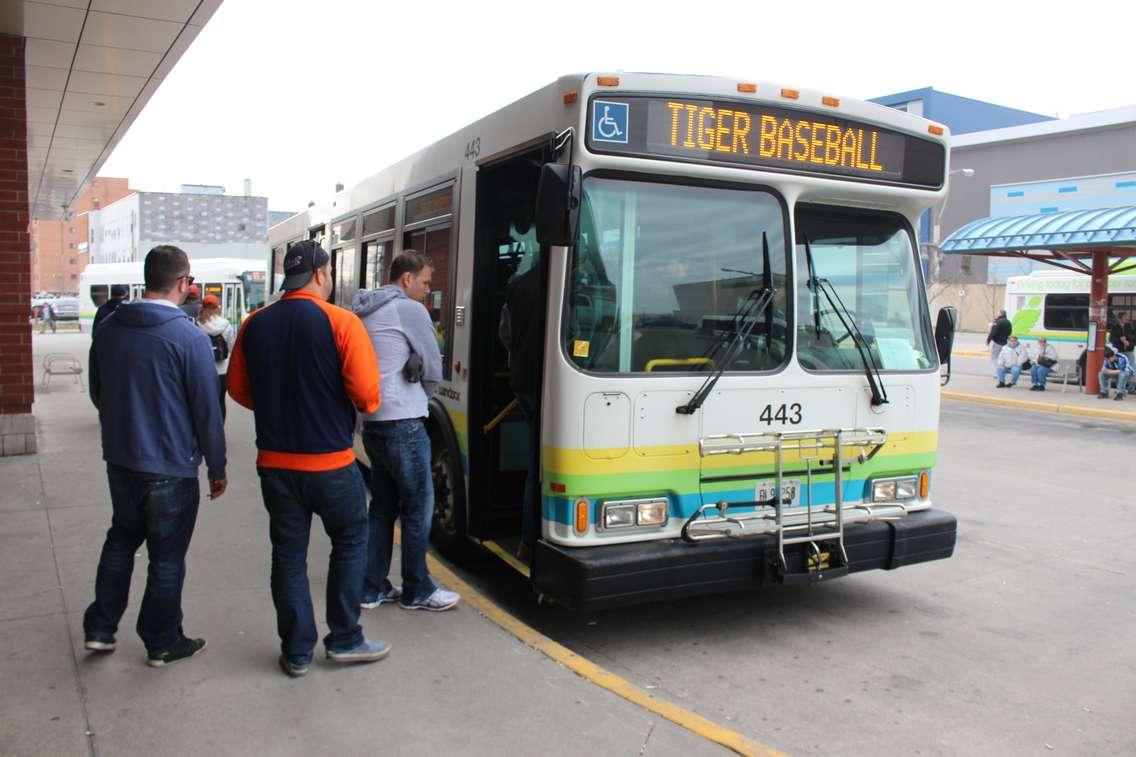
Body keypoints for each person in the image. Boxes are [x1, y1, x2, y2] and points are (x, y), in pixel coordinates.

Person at [227, 239, 389, 678]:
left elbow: (239, 390)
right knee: (351, 541)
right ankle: (344, 638)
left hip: (276, 466)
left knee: (288, 555)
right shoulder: (341, 322)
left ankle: (297, 652)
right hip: (332, 465)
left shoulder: (254, 323)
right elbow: (369, 397)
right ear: (320, 275)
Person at [83, 245, 226, 668]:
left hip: (121, 461)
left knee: (121, 539)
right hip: (170, 467)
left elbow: (97, 392)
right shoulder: (188, 338)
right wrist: (216, 467)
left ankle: (100, 628)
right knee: (166, 557)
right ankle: (162, 640)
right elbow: (207, 412)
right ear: (184, 283)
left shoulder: (109, 328)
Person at [352, 250, 459, 612]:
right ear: (406, 279)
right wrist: (420, 398)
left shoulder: (367, 307)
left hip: (374, 422)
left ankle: (371, 587)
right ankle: (418, 589)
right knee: (418, 505)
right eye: (426, 282)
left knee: (383, 506)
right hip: (404, 422)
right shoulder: (409, 310)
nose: (429, 290)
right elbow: (433, 367)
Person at [498, 260, 543, 562]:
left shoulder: (518, 285)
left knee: (534, 461)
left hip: (522, 382)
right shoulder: (576, 284)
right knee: (540, 465)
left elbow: (505, 334)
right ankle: (531, 539)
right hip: (544, 387)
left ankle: (527, 541)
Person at [195, 294, 236, 419]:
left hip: (204, 369)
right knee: (220, 400)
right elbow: (231, 346)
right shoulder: (225, 324)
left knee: (206, 402)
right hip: (223, 370)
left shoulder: (197, 324)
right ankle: (219, 428)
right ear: (217, 307)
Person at [985, 310, 1012, 378]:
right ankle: (1002, 371)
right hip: (1005, 342)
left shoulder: (997, 322)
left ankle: (998, 372)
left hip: (997, 342)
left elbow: (993, 332)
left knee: (994, 358)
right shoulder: (1008, 322)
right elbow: (1010, 332)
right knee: (1001, 358)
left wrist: (988, 340)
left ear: (1000, 314)